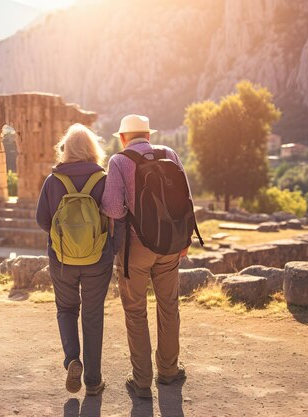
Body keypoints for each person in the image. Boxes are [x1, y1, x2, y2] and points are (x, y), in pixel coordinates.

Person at [101, 114, 192, 398]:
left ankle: (141, 381)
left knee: (136, 312)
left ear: (123, 137)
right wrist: (184, 240)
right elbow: (186, 198)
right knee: (169, 307)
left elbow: (114, 209)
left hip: (134, 250)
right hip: (170, 244)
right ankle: (168, 371)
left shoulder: (118, 161)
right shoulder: (170, 154)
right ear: (148, 135)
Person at [36, 123, 122, 396]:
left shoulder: (53, 181)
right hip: (98, 258)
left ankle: (73, 359)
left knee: (66, 309)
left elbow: (41, 219)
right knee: (93, 316)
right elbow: (116, 217)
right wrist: (112, 248)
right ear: (92, 148)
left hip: (62, 260)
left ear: (66, 149)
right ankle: (94, 381)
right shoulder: (104, 179)